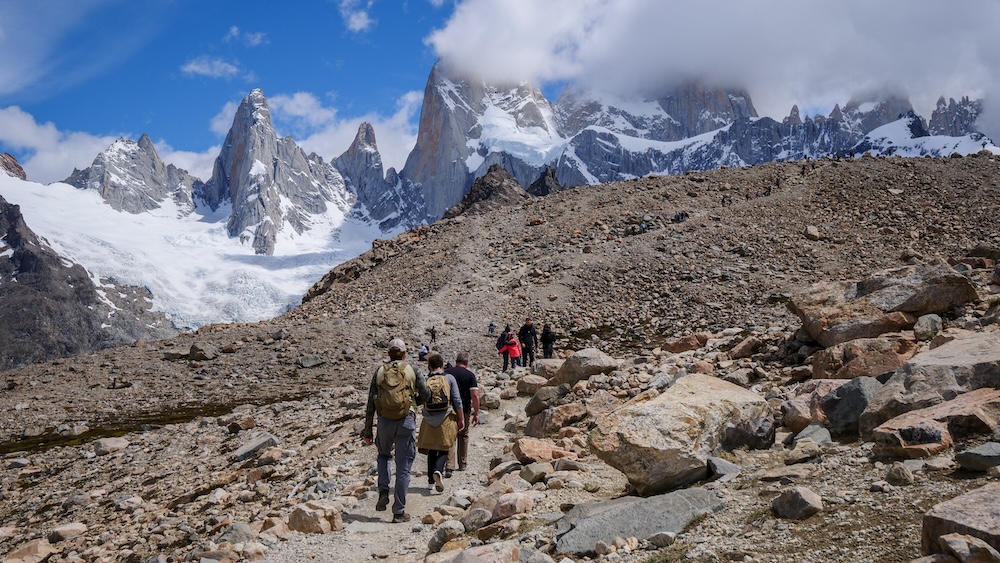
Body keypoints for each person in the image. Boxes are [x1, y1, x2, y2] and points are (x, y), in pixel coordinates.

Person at [362, 339, 429, 523]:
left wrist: (368, 431)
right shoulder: (412, 370)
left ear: (389, 353)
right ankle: (398, 512)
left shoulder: (380, 371)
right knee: (404, 468)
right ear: (404, 353)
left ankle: (383, 490)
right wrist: (414, 402)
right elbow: (426, 394)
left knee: (383, 455)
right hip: (406, 420)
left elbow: (371, 403)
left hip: (384, 421)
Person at [416, 352, 464, 494]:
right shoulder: (449, 378)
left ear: (429, 366)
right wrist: (461, 418)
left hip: (429, 419)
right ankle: (438, 470)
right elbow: (457, 400)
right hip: (446, 417)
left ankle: (430, 482)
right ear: (442, 365)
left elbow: (420, 398)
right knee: (444, 447)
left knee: (431, 449)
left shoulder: (425, 379)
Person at [444, 351, 480, 476]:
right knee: (463, 435)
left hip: (448, 410)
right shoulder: (470, 375)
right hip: (464, 409)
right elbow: (474, 395)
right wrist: (476, 412)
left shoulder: (447, 373)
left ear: (456, 361)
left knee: (450, 436)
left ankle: (449, 465)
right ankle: (462, 462)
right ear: (466, 362)